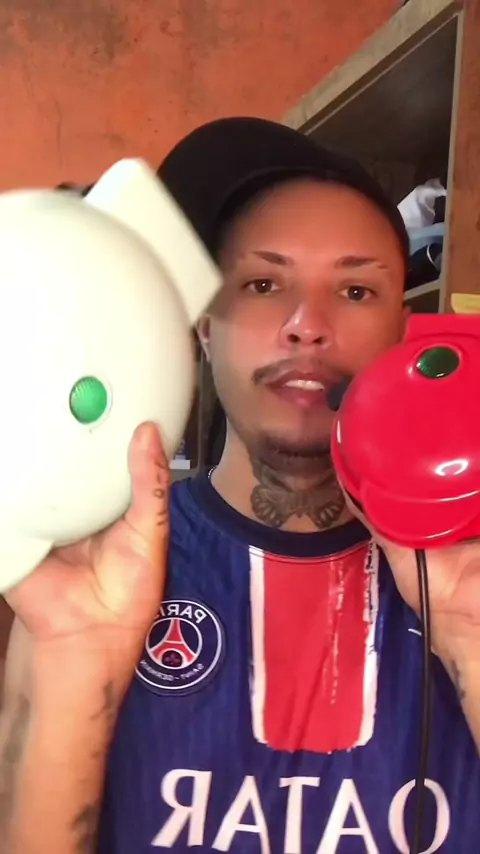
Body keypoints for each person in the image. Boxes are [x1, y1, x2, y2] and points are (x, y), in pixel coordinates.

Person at [1, 117, 480, 854]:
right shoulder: (85, 575)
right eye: (262, 283)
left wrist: (470, 632)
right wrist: (78, 653)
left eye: (356, 289)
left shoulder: (466, 572)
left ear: (401, 332)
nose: (306, 325)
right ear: (201, 327)